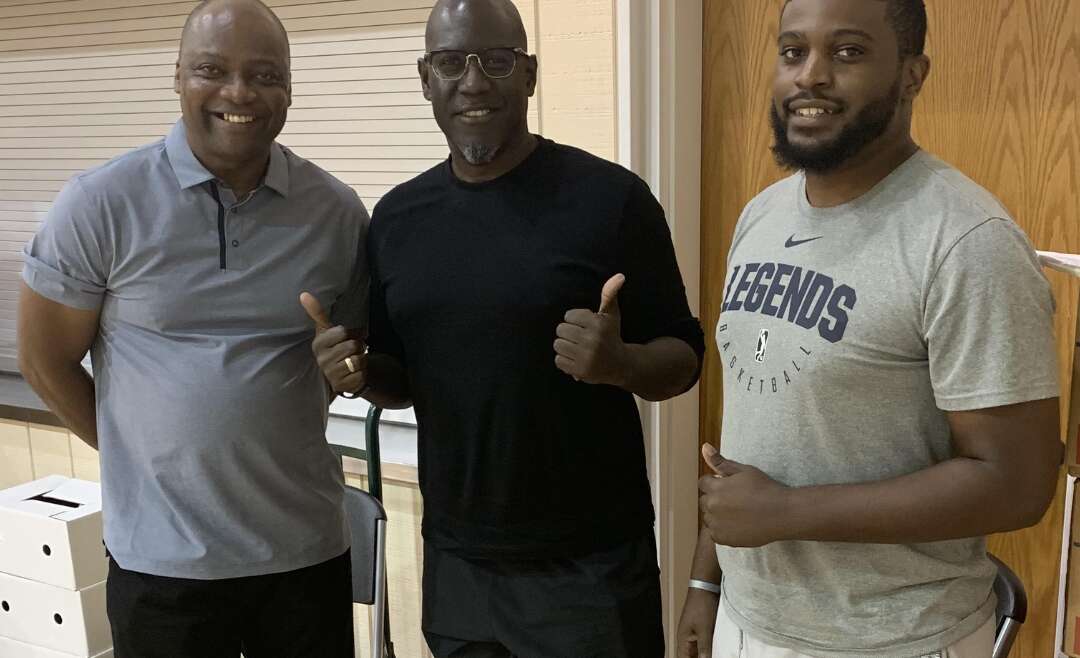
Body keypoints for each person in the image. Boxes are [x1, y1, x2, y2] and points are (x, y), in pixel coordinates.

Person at [302, 0, 704, 655]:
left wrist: (620, 364)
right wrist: (357, 373)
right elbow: (403, 377)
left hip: (589, 570)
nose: (474, 81)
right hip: (458, 564)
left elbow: (685, 357)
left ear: (530, 74)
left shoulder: (610, 200)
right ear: (425, 78)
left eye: (497, 60)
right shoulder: (398, 221)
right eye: (450, 62)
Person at [676, 0, 1062, 656]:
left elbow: (1018, 484)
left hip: (893, 638)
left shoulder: (966, 240)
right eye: (794, 51)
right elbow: (757, 422)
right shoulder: (761, 216)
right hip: (750, 622)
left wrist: (787, 514)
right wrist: (705, 583)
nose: (810, 75)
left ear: (912, 74)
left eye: (848, 52)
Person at [17, 1, 367, 655]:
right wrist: (137, 460)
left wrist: (346, 367)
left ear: (288, 89)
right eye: (212, 68)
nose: (239, 93)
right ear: (177, 75)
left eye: (265, 74)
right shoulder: (99, 205)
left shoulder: (336, 213)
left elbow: (347, 355)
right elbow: (44, 361)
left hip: (304, 556)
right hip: (162, 567)